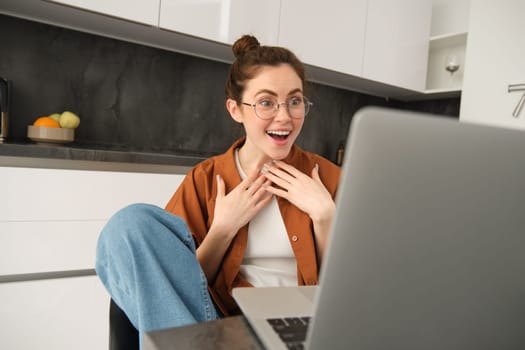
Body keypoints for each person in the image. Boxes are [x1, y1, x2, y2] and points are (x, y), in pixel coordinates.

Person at [95, 34, 341, 342]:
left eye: (294, 101)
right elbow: (173, 287)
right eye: (266, 102)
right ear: (235, 109)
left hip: (305, 330)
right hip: (222, 331)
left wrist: (325, 218)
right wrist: (222, 230)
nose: (284, 116)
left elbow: (354, 294)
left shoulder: (330, 179)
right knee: (129, 224)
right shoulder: (205, 179)